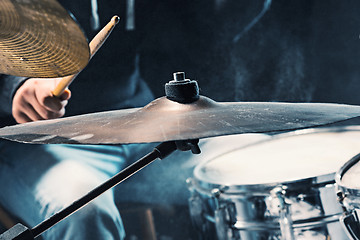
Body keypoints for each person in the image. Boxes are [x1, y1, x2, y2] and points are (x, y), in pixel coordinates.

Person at [0, 0, 154, 239]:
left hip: (145, 126)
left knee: (231, 166)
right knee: (85, 213)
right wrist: (14, 89)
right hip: (42, 144)